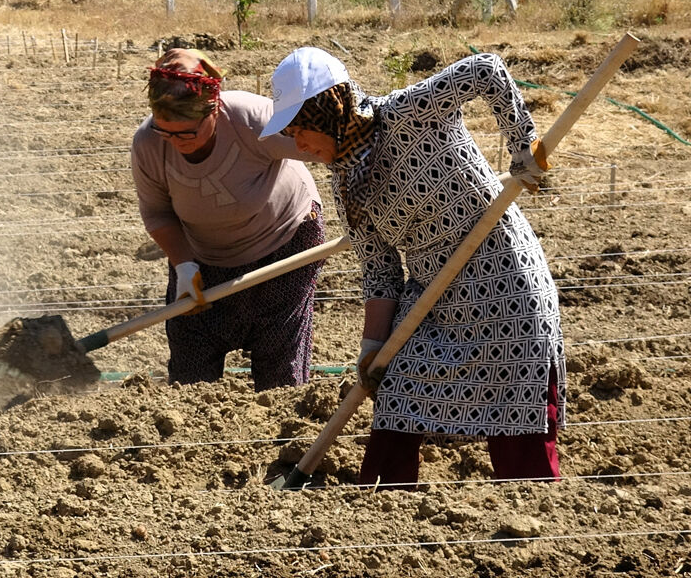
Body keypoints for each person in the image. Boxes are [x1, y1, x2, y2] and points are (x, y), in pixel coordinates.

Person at [261, 46, 564, 487]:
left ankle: (533, 505)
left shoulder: (408, 112)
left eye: (302, 128)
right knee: (394, 382)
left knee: (516, 412)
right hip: (432, 298)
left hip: (504, 281)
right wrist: (371, 347)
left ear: (330, 113)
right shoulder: (347, 182)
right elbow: (380, 270)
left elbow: (486, 69)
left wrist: (523, 144)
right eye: (291, 133)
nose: (298, 144)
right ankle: (382, 499)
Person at [131, 48, 326, 391]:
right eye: (166, 132)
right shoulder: (148, 144)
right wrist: (185, 267)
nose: (176, 143)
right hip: (205, 255)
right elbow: (157, 212)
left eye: (187, 133)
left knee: (278, 362)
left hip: (284, 242)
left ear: (214, 109)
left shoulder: (252, 120)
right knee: (191, 359)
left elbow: (323, 145)